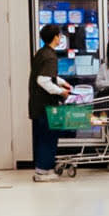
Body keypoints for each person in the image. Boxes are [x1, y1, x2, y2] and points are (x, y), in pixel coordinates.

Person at [29, 23, 69, 182]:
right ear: (55, 37)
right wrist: (61, 91)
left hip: (37, 104)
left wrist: (61, 82)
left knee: (42, 137)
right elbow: (43, 80)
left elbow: (45, 76)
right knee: (48, 137)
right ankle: (43, 171)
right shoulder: (51, 56)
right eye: (59, 35)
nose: (60, 38)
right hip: (46, 106)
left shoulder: (41, 53)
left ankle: (43, 168)